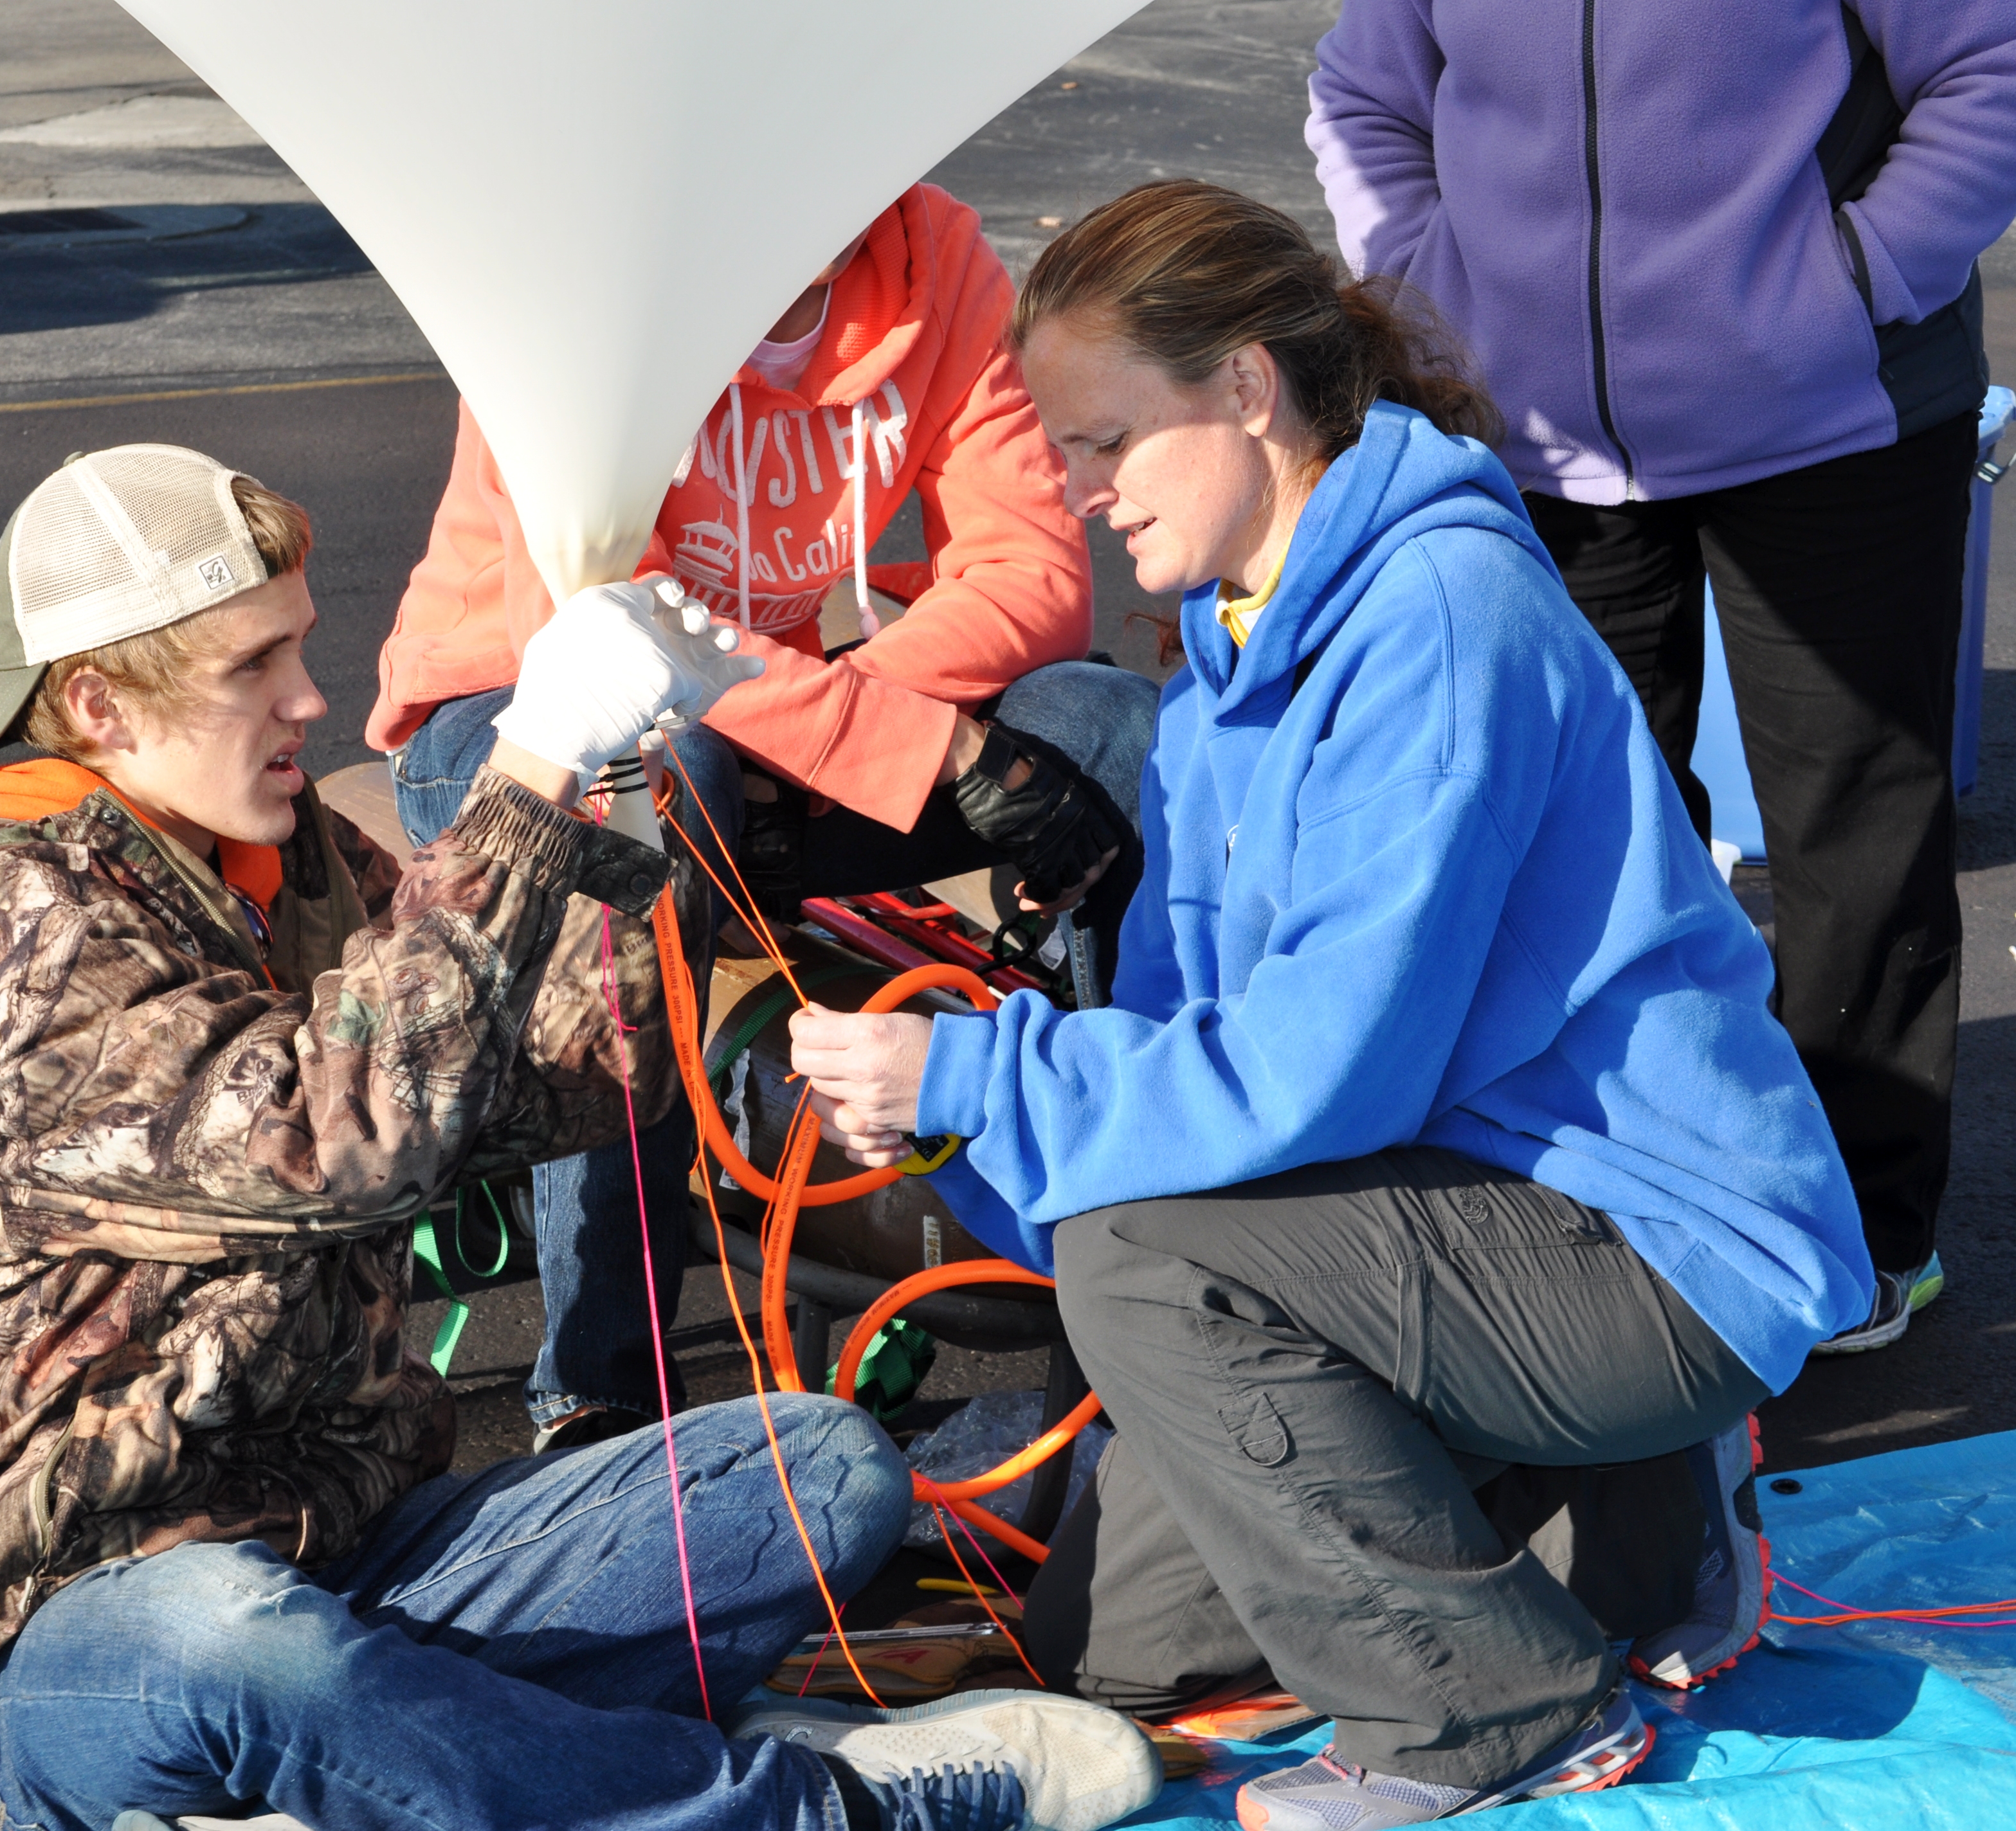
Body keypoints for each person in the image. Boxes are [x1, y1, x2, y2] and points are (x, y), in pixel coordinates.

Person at [0, 444, 1159, 1831]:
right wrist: (521, 773)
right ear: (97, 702)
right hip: (87, 1628)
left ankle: (424, 1777)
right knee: (239, 1643)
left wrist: (659, 784)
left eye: (298, 646)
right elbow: (338, 1135)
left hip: (355, 1553)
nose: (311, 700)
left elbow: (572, 1082)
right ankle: (807, 1808)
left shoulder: (281, 864)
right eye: (254, 667)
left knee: (817, 1471)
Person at [788, 184, 1873, 1830]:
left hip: (1651, 1241)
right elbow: (1182, 1056)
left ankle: (1501, 1704)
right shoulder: (1230, 645)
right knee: (1111, 1657)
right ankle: (1643, 1517)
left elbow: (1318, 1074)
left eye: (1104, 444)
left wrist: (978, 1074)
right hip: (1480, 1207)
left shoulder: (1440, 614)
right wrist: (969, 1121)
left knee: (1140, 1264)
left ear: (1243, 389)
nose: (1075, 498)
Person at [369, 181, 1161, 1451]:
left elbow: (1032, 577)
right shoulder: (581, 280)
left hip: (786, 722)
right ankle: (594, 1397)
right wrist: (892, 739)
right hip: (526, 722)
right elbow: (591, 639)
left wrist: (848, 723)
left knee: (1107, 730)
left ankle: (1135, 1310)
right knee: (659, 784)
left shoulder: (938, 249)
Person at [1305, 0, 2016, 1351]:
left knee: (1852, 832)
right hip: (1539, 435)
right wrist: (1423, 279)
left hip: (1835, 415)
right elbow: (1363, 91)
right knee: (1579, 846)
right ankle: (1636, 1192)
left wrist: (1850, 279)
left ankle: (1866, 1231)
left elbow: (1986, 64)